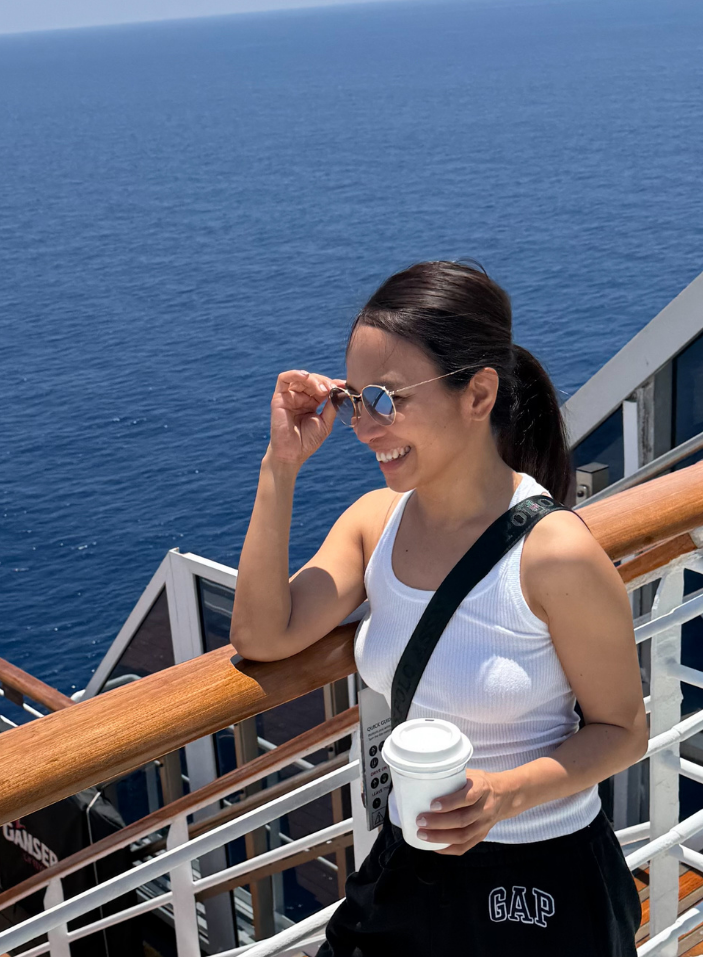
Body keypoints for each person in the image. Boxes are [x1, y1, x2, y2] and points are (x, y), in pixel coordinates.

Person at [231, 261, 647, 956]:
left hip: (540, 880)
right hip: (412, 865)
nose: (365, 426)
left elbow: (622, 730)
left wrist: (505, 795)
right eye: (355, 398)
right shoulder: (374, 524)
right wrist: (281, 465)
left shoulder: (553, 553)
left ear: (478, 393)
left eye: (388, 399)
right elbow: (262, 633)